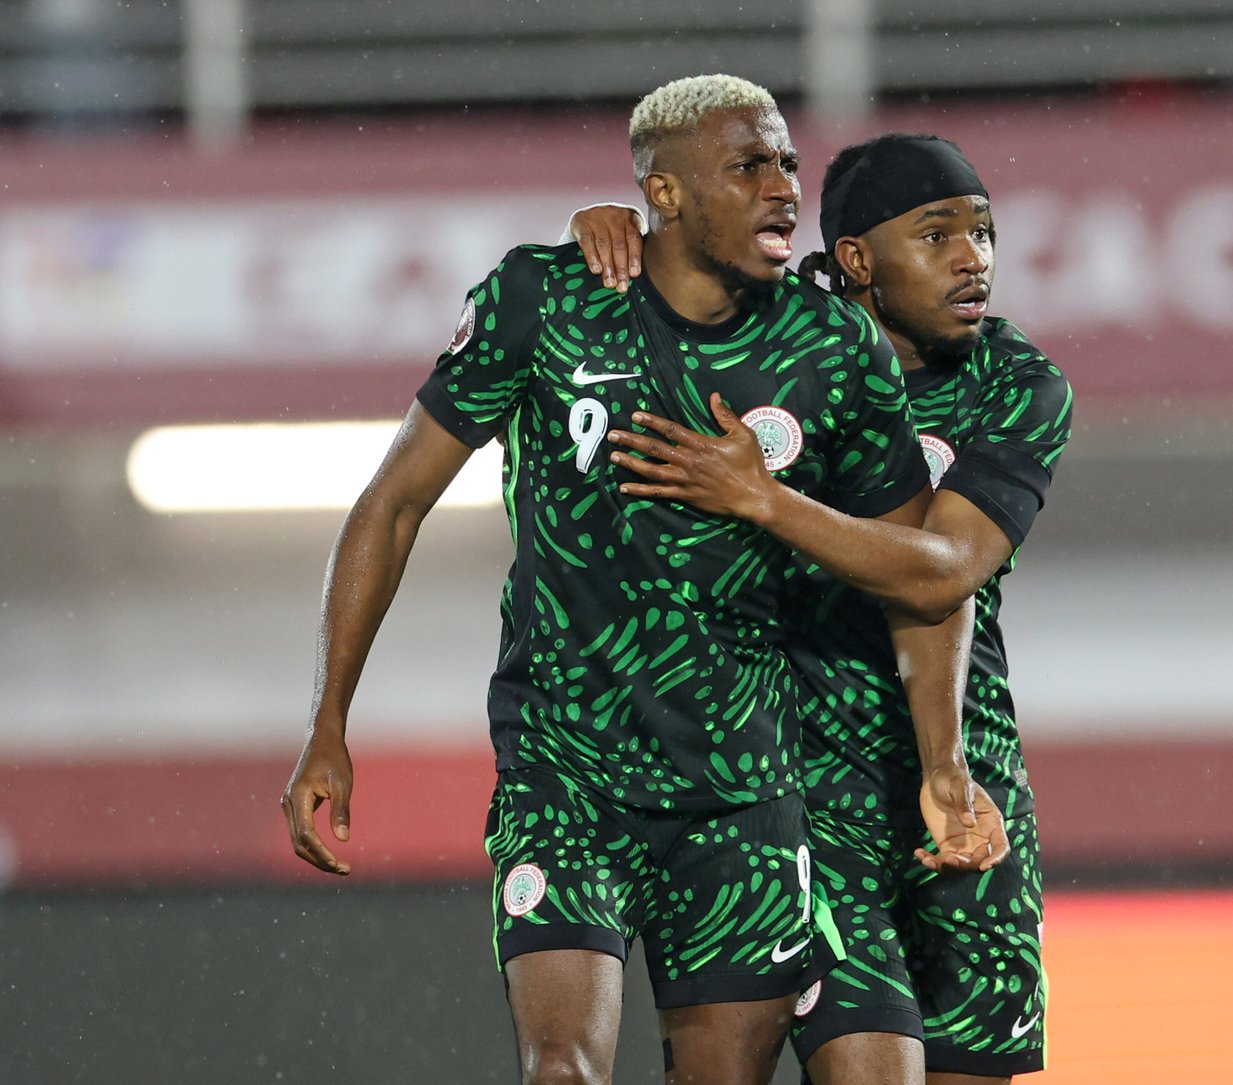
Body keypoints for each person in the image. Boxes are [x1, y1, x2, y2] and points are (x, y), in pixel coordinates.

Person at [282, 77, 1004, 1085]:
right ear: (664, 193)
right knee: (561, 1068)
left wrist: (942, 761)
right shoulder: (548, 300)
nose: (783, 188)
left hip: (743, 793)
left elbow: (919, 578)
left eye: (787, 163)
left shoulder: (831, 346)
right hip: (565, 769)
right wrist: (328, 719)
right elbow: (393, 502)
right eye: (747, 166)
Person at [571, 133, 1072, 1084]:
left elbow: (942, 573)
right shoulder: (771, 345)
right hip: (805, 796)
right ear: (857, 261)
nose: (974, 258)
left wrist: (763, 499)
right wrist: (606, 238)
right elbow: (660, 289)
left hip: (967, 785)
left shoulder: (1019, 386)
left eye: (983, 233)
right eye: (938, 235)